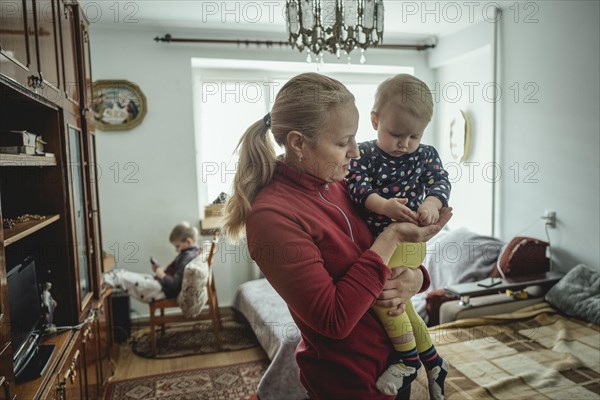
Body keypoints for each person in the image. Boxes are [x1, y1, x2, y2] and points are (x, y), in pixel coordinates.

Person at [222, 72, 452, 400]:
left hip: (393, 361)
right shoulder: (272, 216)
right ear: (298, 143)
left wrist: (416, 278)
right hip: (349, 382)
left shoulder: (338, 183)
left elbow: (370, 258)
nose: (356, 153)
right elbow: (333, 319)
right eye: (344, 142)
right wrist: (393, 236)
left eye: (355, 139)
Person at [346, 74, 451, 399]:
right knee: (401, 304)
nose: (405, 143)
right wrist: (384, 206)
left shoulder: (426, 155)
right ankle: (433, 361)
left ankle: (408, 360)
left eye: (414, 135)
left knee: (385, 302)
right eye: (395, 134)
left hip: (407, 241)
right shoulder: (363, 153)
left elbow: (440, 182)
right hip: (381, 241)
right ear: (375, 120)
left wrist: (433, 204)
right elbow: (357, 186)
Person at [103, 222, 199, 303]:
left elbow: (176, 285)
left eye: (178, 246)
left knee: (119, 278)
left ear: (189, 241)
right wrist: (160, 270)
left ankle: (96, 287)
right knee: (120, 273)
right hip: (160, 284)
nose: (176, 250)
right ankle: (101, 282)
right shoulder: (188, 253)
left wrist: (162, 275)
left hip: (163, 290)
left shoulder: (188, 257)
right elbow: (175, 274)